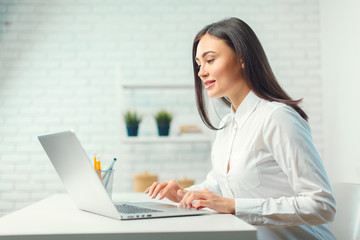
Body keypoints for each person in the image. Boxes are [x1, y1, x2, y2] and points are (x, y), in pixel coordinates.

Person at [145, 17, 336, 239]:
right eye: (199, 64)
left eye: (210, 60)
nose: (201, 72)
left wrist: (235, 206)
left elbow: (322, 205)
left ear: (242, 59)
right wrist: (183, 194)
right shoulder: (228, 124)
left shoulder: (277, 118)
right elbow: (218, 186)